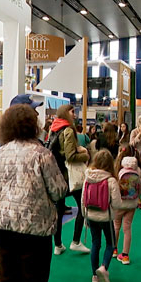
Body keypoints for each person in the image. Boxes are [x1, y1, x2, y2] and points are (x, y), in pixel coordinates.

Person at [0, 104, 68, 282]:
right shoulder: (42, 154)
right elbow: (58, 191)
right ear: (33, 125)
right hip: (35, 229)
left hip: (3, 227)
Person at [48, 104, 91, 255]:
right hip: (69, 175)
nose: (75, 114)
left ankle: (58, 245)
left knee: (59, 210)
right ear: (66, 113)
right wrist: (85, 155)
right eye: (72, 112)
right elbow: (70, 156)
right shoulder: (68, 130)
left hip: (57, 174)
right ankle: (76, 241)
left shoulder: (53, 128)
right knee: (82, 206)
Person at [82, 149, 123, 282]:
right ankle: (104, 267)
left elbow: (83, 200)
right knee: (111, 243)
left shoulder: (88, 177)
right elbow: (117, 203)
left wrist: (85, 216)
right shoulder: (111, 180)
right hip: (106, 217)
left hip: (91, 216)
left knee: (95, 243)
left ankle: (94, 275)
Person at [113, 145, 141, 265]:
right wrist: (136, 196)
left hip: (119, 204)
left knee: (116, 226)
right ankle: (125, 255)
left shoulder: (118, 168)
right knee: (127, 228)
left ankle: (114, 250)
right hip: (132, 204)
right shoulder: (138, 169)